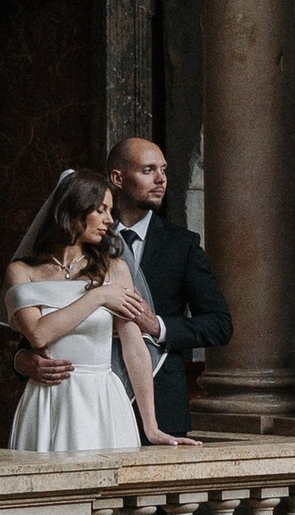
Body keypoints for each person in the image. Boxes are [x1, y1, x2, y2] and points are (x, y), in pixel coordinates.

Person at [13, 135, 229, 441]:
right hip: (60, 397)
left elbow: (220, 325)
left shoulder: (183, 245)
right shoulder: (62, 255)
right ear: (118, 178)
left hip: (155, 402)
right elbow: (39, 328)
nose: (161, 180)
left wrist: (156, 326)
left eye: (164, 171)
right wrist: (21, 360)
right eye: (148, 170)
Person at [4, 166, 184, 455]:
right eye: (100, 210)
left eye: (110, 211)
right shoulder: (22, 272)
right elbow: (38, 334)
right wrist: (97, 297)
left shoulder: (116, 270)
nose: (109, 221)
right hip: (48, 399)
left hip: (103, 399)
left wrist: (150, 426)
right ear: (74, 209)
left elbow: (135, 349)